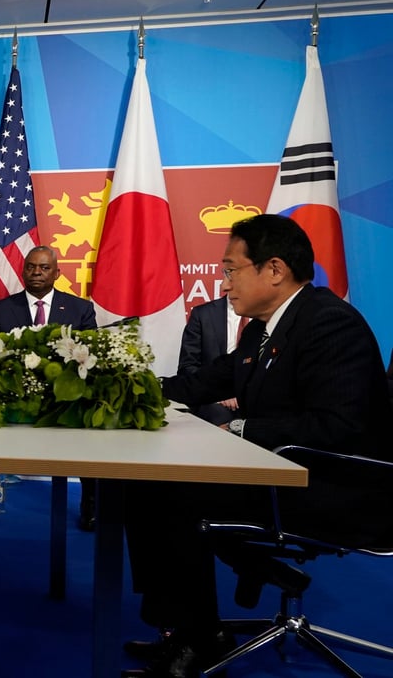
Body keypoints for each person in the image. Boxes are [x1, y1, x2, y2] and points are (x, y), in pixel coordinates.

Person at [123, 214, 393, 678]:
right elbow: (204, 381)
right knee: (146, 481)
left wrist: (241, 429)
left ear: (274, 269)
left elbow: (336, 427)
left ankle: (203, 637)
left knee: (173, 494)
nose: (225, 283)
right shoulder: (262, 328)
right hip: (280, 473)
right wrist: (131, 389)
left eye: (231, 269)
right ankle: (185, 626)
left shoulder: (329, 324)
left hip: (338, 487)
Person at [0, 246, 98, 531]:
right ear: (23, 271)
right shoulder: (0, 309)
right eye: (31, 267)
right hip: (11, 392)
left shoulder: (80, 309)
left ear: (57, 273)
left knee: (88, 411)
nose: (36, 272)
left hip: (63, 395)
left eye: (44, 268)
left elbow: (89, 355)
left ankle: (90, 503)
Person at [176, 295, 242, 426]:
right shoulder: (203, 314)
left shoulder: (268, 315)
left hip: (256, 401)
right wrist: (221, 392)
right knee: (219, 416)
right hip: (215, 401)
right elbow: (188, 366)